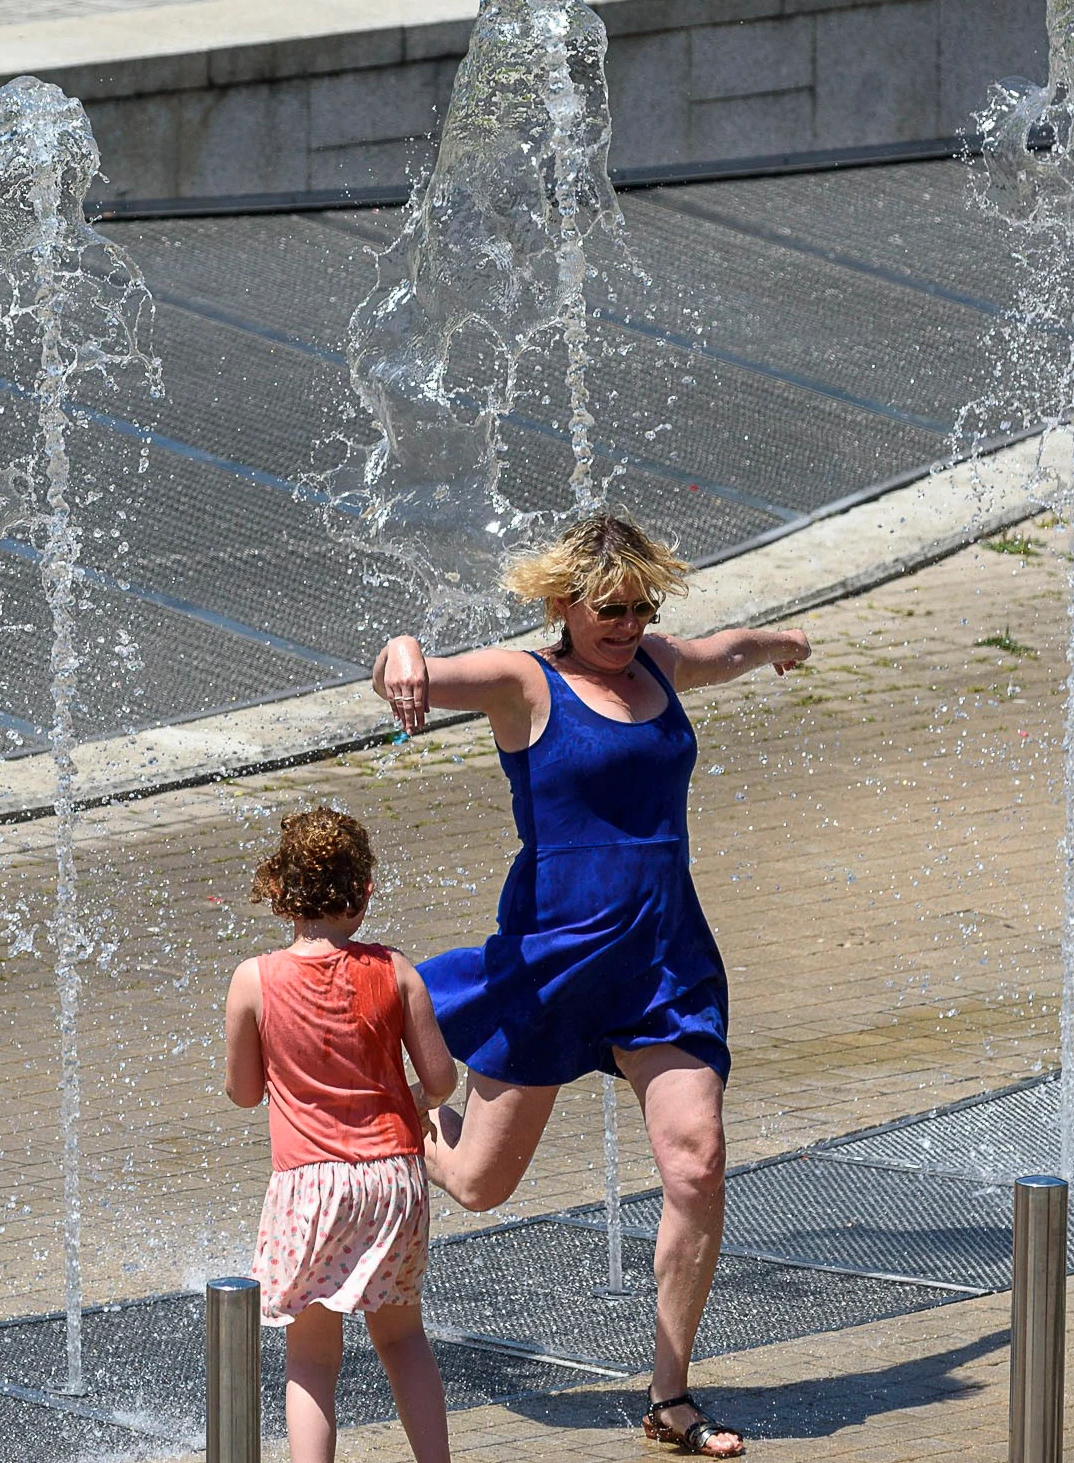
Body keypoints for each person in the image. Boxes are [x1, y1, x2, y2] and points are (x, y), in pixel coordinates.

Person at [369, 511, 809, 1458]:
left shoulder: (657, 663)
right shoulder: (525, 682)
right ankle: (396, 1104)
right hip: (558, 957)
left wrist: (776, 643)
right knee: (480, 1185)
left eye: (644, 607)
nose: (629, 623)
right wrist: (402, 649)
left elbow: (721, 649)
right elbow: (416, 671)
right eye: (611, 608)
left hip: (663, 957)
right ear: (563, 603)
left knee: (696, 1160)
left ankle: (670, 1394)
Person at [225, 808, 458, 1463]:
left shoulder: (254, 980)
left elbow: (245, 1092)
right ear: (364, 892)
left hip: (311, 1185)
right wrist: (404, 1099)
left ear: (281, 891)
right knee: (402, 1338)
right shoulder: (396, 969)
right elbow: (440, 1081)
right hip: (392, 1177)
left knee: (312, 1357)